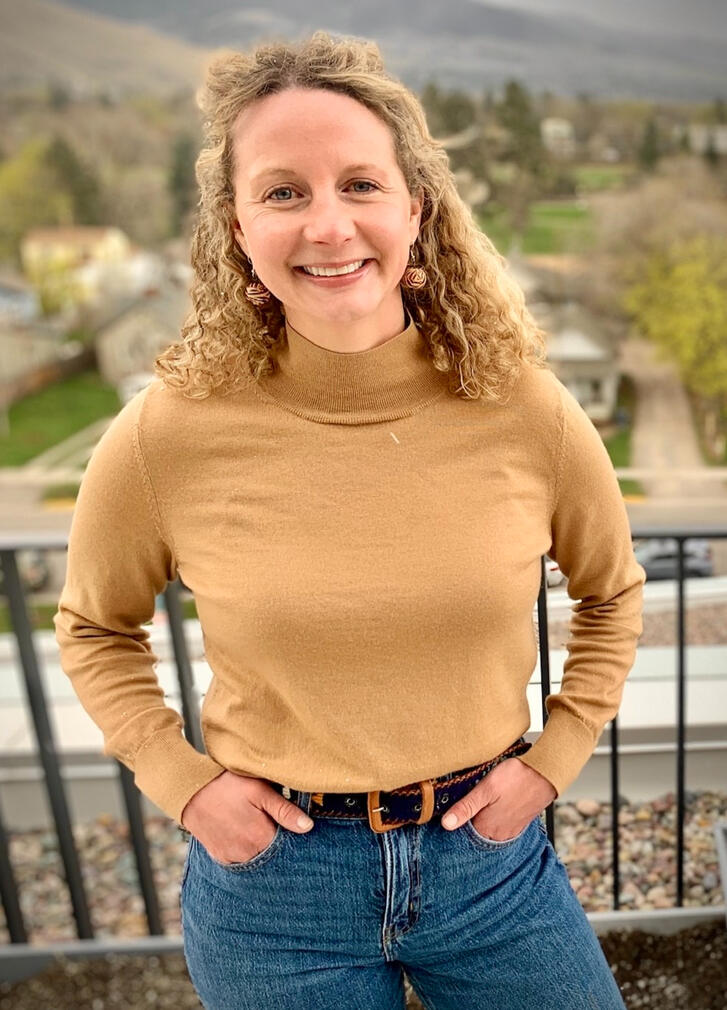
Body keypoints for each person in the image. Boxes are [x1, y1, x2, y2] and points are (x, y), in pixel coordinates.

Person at [53, 30, 645, 1010]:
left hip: (489, 865)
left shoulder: (522, 406)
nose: (327, 225)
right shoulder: (167, 432)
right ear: (236, 227)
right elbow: (92, 626)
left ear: (416, 208)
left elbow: (611, 591)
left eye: (359, 185)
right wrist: (186, 784)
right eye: (283, 191)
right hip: (274, 891)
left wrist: (554, 761)